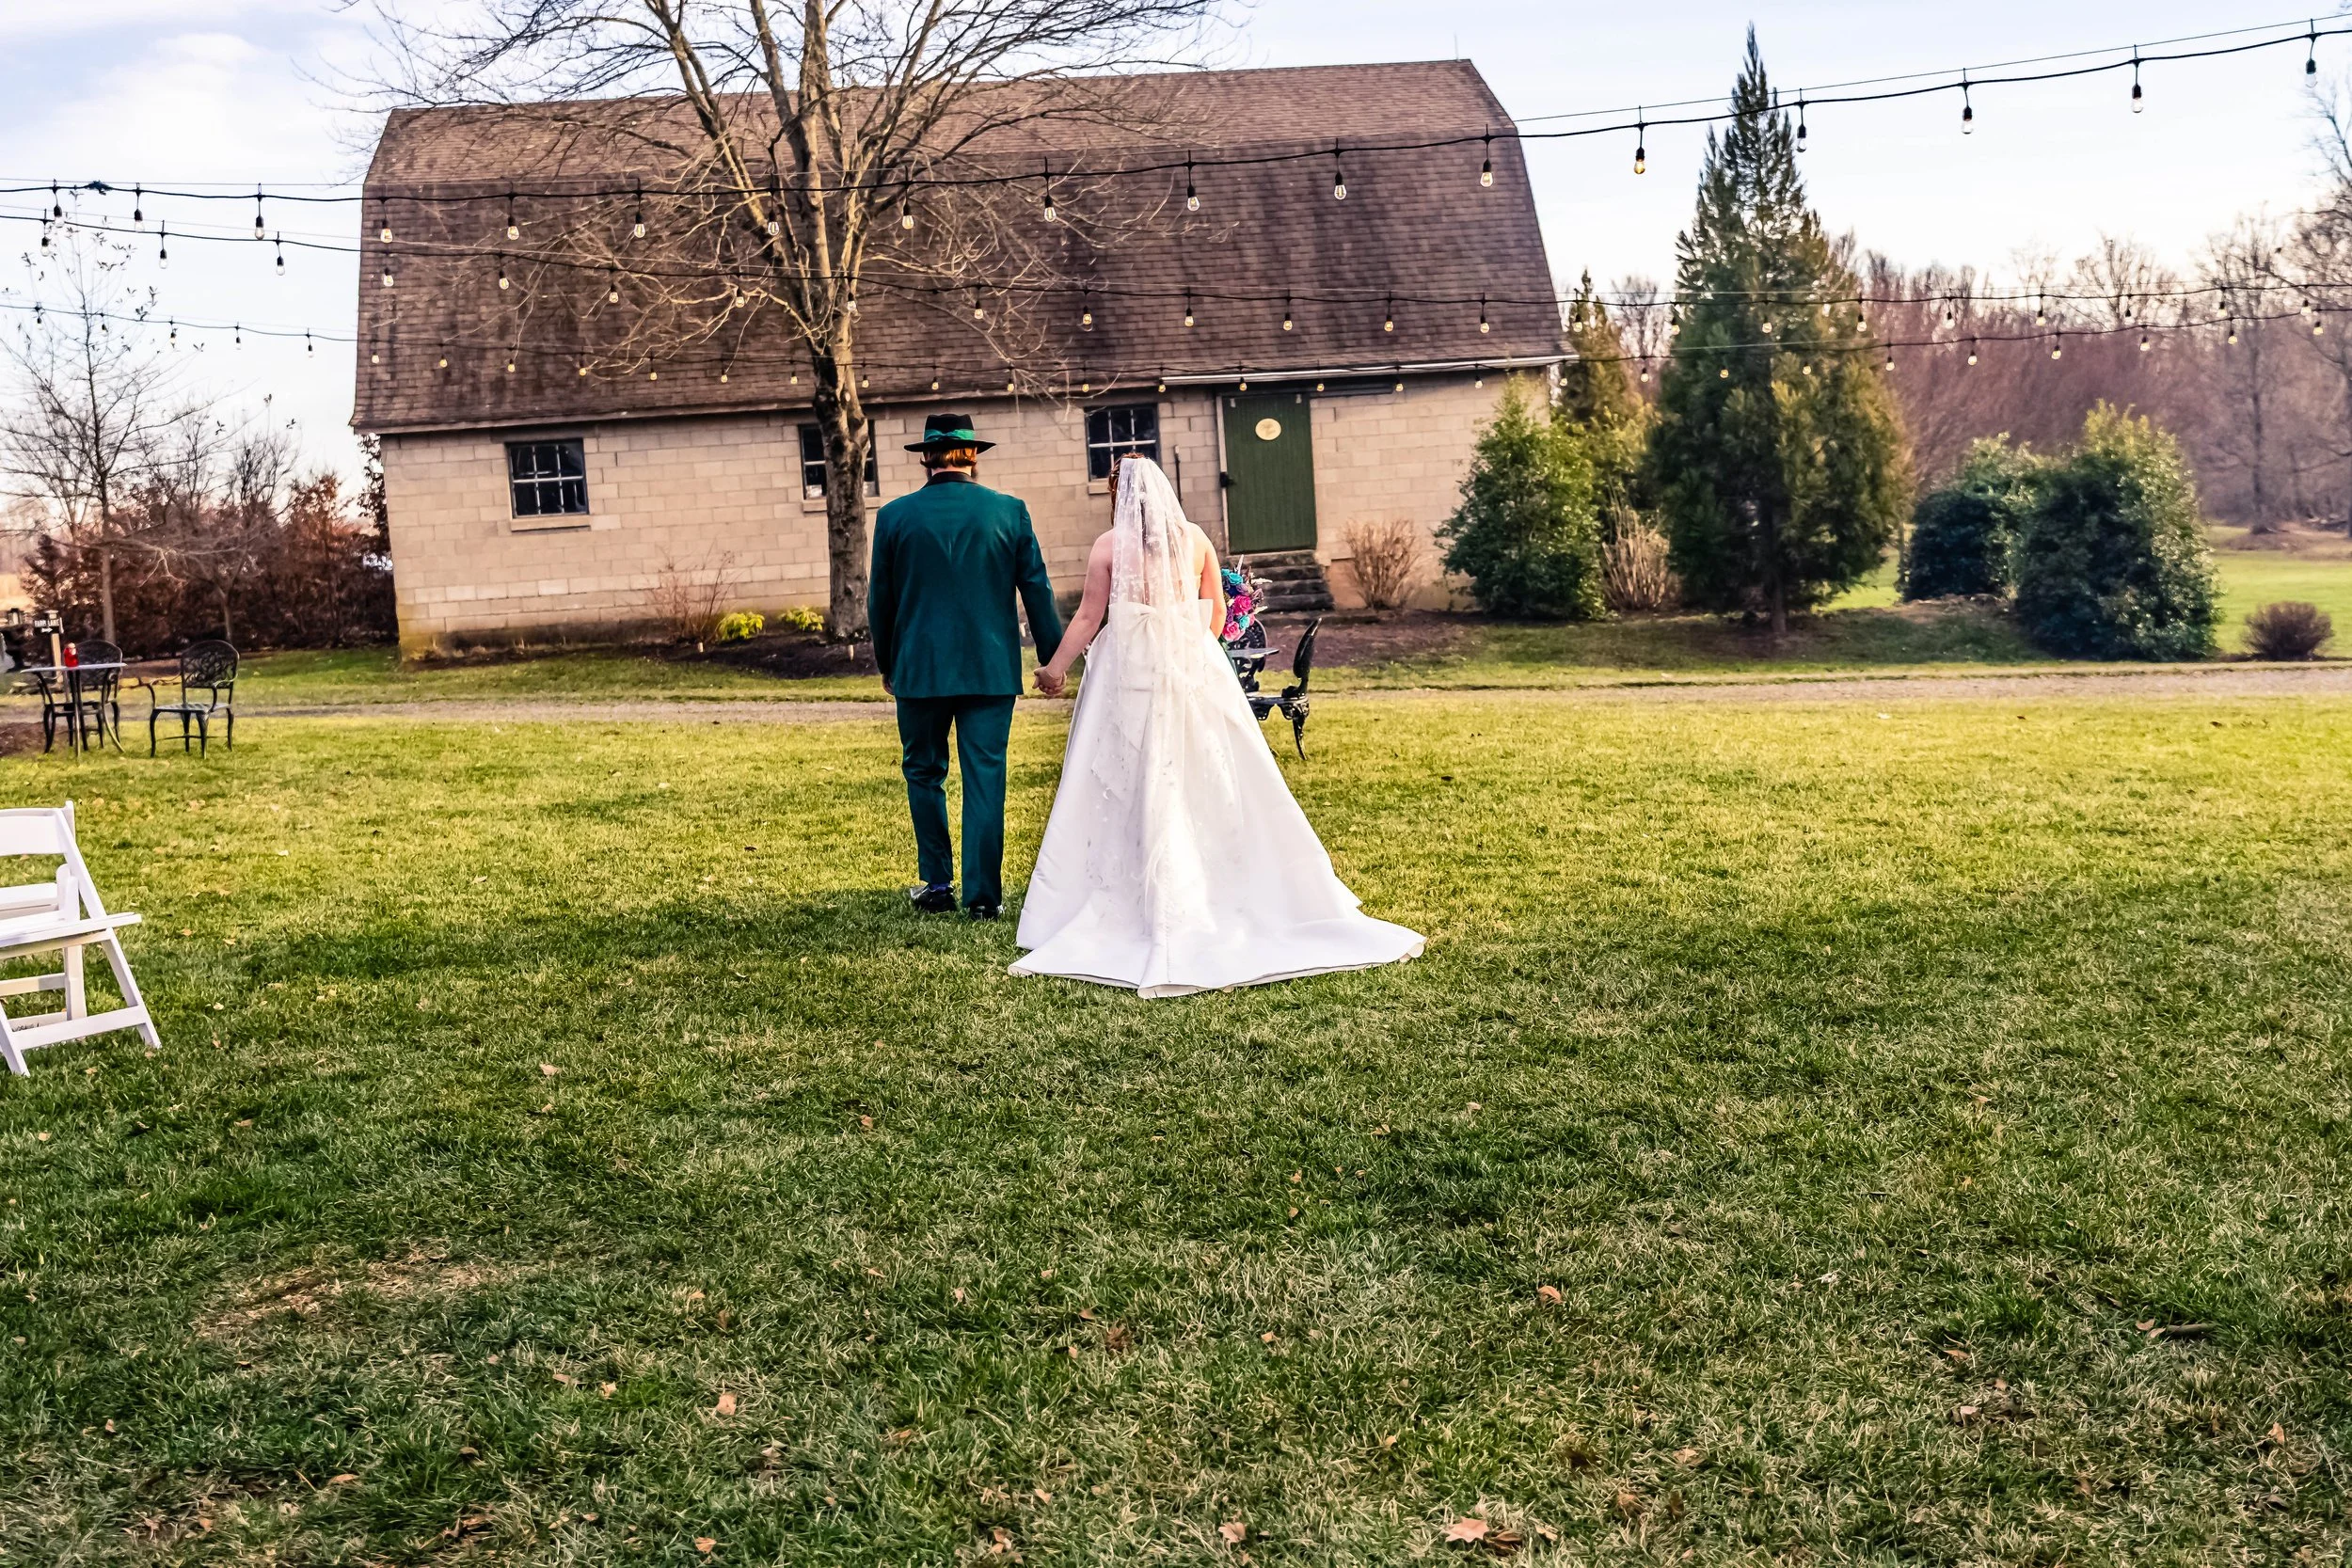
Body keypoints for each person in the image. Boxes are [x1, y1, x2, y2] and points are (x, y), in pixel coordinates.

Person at [1011, 455, 1422, 996]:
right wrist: (1184, 647)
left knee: (1131, 777)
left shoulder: (1109, 547)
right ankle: (1216, 882)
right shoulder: (1196, 539)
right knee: (1200, 773)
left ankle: (1132, 892)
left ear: (1118, 493)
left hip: (1129, 675)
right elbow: (1214, 614)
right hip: (1192, 673)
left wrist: (1055, 668)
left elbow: (1090, 617)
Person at [867, 413, 1061, 920]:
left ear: (926, 457)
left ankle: (935, 883)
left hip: (919, 669)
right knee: (985, 777)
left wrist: (888, 663)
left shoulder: (894, 517)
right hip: (989, 668)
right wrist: (1052, 657)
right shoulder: (1009, 511)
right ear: (973, 456)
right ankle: (982, 897)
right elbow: (1036, 589)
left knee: (924, 773)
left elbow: (879, 603)